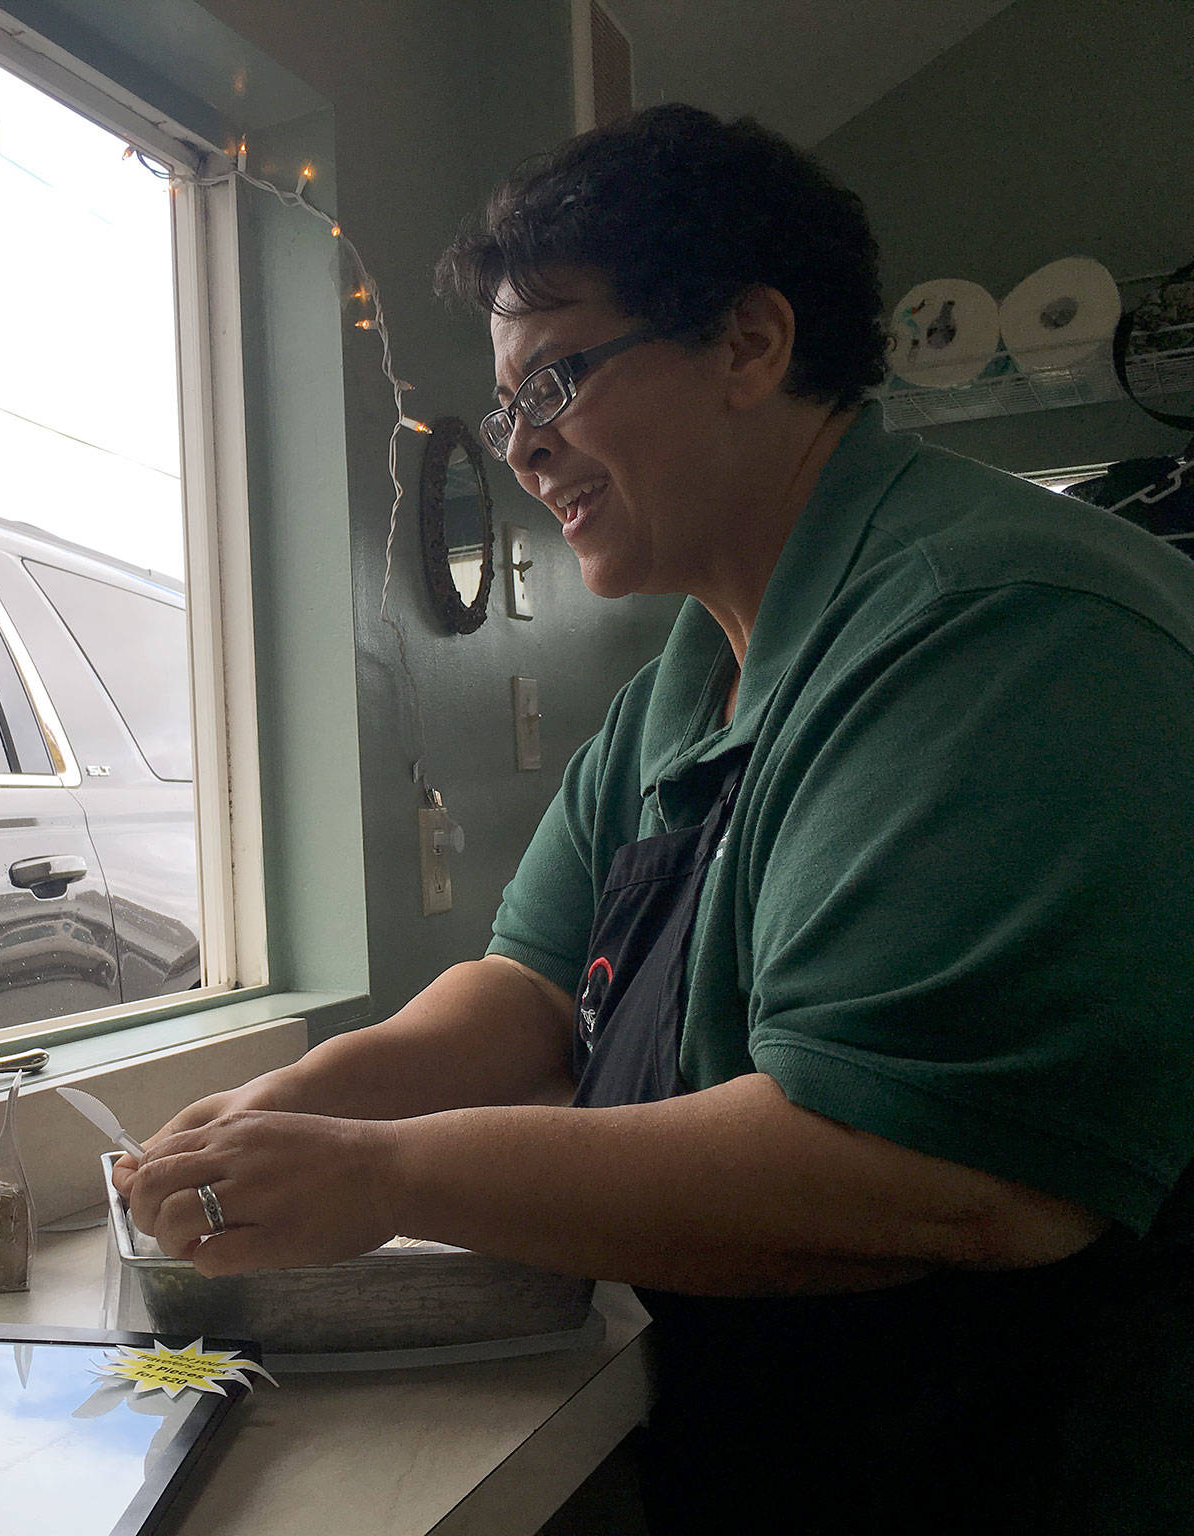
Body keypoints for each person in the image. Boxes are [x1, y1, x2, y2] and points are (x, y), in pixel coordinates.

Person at [114, 104, 1194, 1534]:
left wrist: (380, 1172)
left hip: (1007, 1468)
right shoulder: (683, 685)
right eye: (508, 408)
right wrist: (290, 1104)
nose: (524, 450)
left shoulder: (997, 626)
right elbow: (525, 989)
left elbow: (934, 1170)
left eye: (553, 380)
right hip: (776, 1436)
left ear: (750, 345)